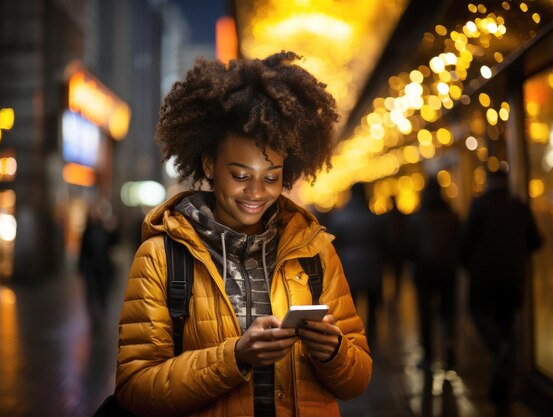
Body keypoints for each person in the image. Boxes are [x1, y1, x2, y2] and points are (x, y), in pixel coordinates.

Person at [115, 51, 372, 417]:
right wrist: (235, 357)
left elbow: (358, 379)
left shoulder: (314, 251)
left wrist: (334, 351)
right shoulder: (161, 256)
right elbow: (135, 389)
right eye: (240, 175)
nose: (256, 193)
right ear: (209, 165)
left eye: (271, 178)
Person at [460, 168, 542, 415]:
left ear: (487, 183)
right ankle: (502, 393)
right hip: (512, 280)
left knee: (480, 316)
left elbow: (465, 243)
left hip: (484, 279)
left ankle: (500, 352)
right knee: (506, 326)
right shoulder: (519, 206)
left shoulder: (479, 205)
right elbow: (536, 240)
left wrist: (469, 264)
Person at [406, 176, 461, 371]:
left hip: (424, 272)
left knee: (425, 314)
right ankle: (449, 350)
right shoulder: (451, 214)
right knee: (447, 313)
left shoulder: (418, 216)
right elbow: (459, 242)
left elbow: (410, 245)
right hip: (447, 271)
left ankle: (428, 355)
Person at [326, 183, 384, 347]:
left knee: (350, 307)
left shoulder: (340, 217)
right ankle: (371, 338)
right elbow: (383, 243)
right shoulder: (373, 217)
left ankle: (352, 338)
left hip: (348, 268)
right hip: (371, 267)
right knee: (372, 307)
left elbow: (332, 245)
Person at [78, 200, 118, 330]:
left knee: (103, 294)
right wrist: (81, 266)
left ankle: (102, 316)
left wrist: (113, 229)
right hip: (90, 268)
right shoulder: (87, 231)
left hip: (104, 267)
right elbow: (83, 250)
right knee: (91, 293)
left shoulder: (105, 228)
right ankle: (94, 318)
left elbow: (114, 243)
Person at [380, 195, 407, 306]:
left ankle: (388, 296)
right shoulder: (402, 216)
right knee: (397, 275)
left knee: (386, 274)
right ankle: (396, 295)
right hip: (399, 250)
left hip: (388, 251)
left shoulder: (384, 217)